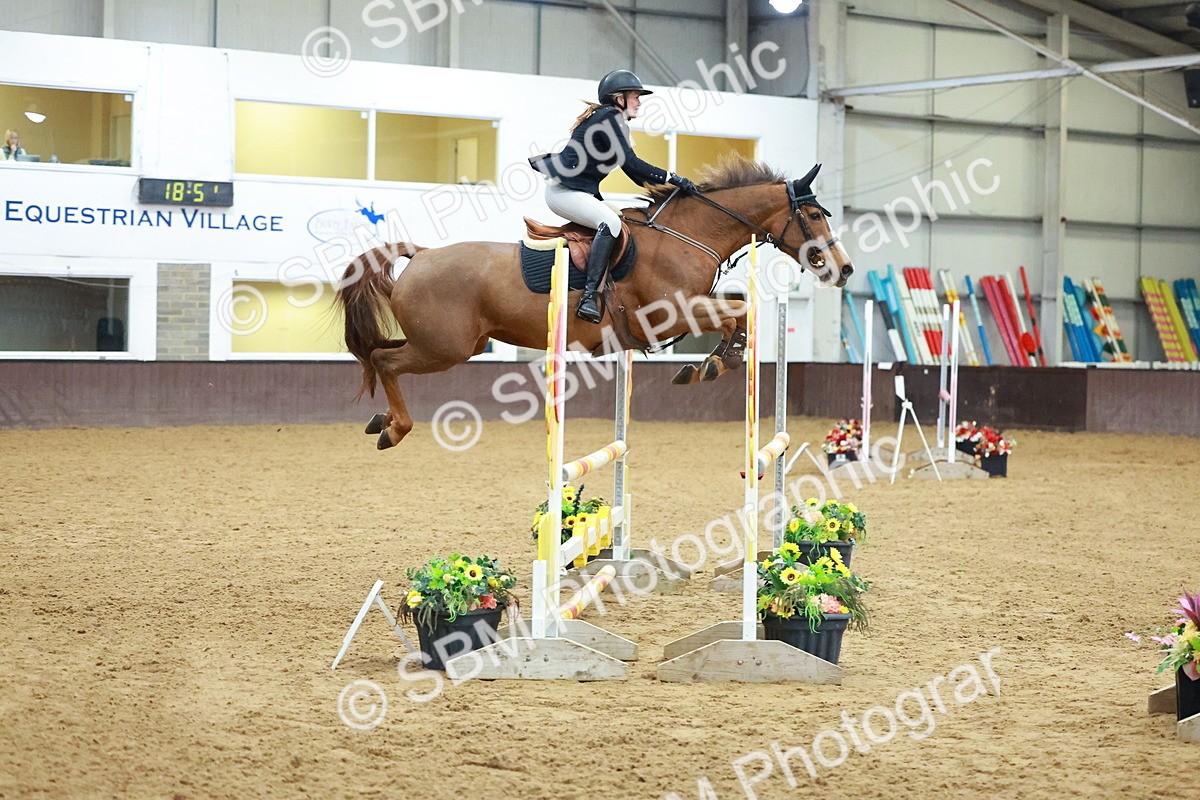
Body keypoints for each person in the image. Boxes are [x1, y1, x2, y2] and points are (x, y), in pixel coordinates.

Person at [531, 70, 698, 323]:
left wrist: (670, 191)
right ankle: (589, 297)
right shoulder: (610, 117)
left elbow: (633, 176)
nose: (639, 103)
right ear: (619, 98)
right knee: (609, 223)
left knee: (622, 218)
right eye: (635, 97)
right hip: (564, 192)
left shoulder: (611, 120)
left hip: (575, 191)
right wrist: (673, 177)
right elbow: (632, 165)